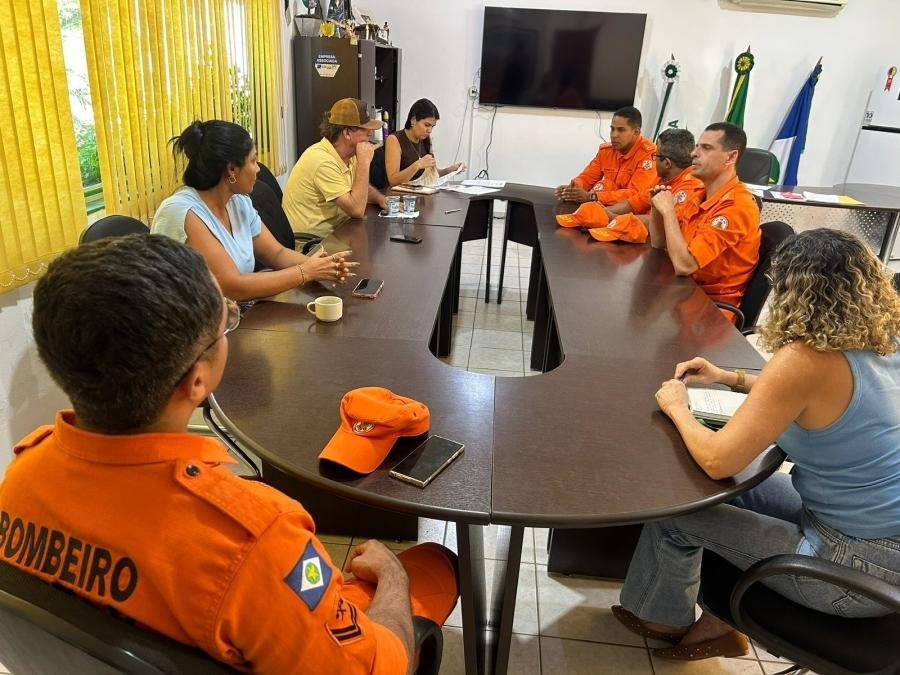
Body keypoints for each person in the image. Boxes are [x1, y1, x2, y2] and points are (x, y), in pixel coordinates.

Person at [0, 235, 459, 673]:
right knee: (436, 563)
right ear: (196, 380)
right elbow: (378, 668)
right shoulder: (258, 537)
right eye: (225, 326)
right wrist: (393, 577)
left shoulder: (20, 478)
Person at [612, 229, 900, 661]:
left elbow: (717, 460)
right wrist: (729, 377)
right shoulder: (884, 339)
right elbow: (813, 394)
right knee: (731, 493)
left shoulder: (804, 359)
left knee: (676, 515)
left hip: (852, 573)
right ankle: (718, 623)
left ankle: (664, 621)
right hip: (879, 548)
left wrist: (677, 408)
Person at [152, 119, 355, 302]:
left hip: (229, 314)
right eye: (253, 161)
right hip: (189, 325)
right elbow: (234, 287)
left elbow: (276, 253)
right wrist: (306, 272)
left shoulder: (238, 201)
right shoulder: (182, 212)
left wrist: (324, 266)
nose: (258, 169)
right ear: (232, 169)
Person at [648, 122, 760, 308]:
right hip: (683, 291)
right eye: (697, 146)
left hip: (712, 307)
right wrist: (656, 209)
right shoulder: (699, 193)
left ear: (731, 157)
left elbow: (684, 265)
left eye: (706, 148)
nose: (694, 153)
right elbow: (659, 243)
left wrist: (668, 211)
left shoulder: (737, 207)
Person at [283, 98, 389, 237]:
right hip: (315, 243)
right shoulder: (322, 161)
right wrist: (364, 163)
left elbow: (360, 187)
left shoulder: (349, 155)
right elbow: (356, 210)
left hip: (340, 231)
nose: (370, 134)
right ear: (347, 133)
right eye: (365, 130)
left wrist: (380, 199)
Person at [554, 106, 657, 210]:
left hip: (631, 211)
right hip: (603, 206)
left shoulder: (649, 155)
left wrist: (593, 196)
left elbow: (635, 194)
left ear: (636, 132)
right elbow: (587, 177)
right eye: (612, 129)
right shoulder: (606, 151)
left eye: (621, 130)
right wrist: (573, 189)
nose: (614, 135)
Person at [380, 98, 463, 187]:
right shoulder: (394, 139)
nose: (430, 130)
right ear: (413, 120)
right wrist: (418, 165)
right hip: (400, 194)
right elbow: (393, 180)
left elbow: (432, 175)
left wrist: (449, 170)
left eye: (432, 126)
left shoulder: (425, 139)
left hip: (421, 191)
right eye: (427, 125)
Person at [629, 128, 704, 226]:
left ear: (667, 163)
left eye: (656, 156)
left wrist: (617, 220)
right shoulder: (662, 177)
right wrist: (610, 215)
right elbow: (636, 203)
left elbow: (665, 223)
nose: (654, 160)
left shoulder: (691, 186)